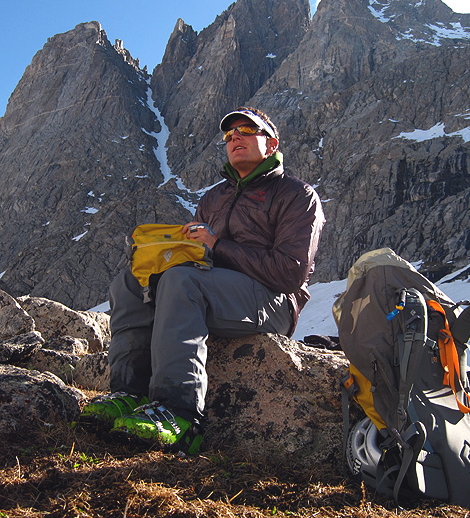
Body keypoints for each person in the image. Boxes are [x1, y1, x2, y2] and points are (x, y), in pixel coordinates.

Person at [80, 107, 325, 454]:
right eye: (229, 135)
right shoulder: (214, 197)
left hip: (272, 301)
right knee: (130, 284)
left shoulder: (296, 195)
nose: (235, 137)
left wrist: (217, 246)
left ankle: (179, 413)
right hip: (217, 290)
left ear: (270, 144)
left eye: (246, 130)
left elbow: (290, 272)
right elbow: (198, 259)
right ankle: (129, 394)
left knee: (182, 282)